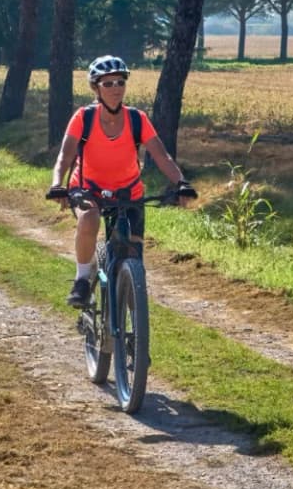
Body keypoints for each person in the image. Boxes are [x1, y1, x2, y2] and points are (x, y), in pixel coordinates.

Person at [47, 54, 195, 308]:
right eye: (108, 83)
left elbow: (162, 156)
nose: (115, 88)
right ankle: (82, 280)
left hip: (128, 192)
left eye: (120, 82)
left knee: (133, 254)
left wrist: (181, 183)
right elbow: (65, 156)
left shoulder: (137, 119)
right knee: (89, 218)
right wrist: (57, 184)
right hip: (88, 189)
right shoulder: (84, 118)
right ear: (96, 88)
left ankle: (130, 309)